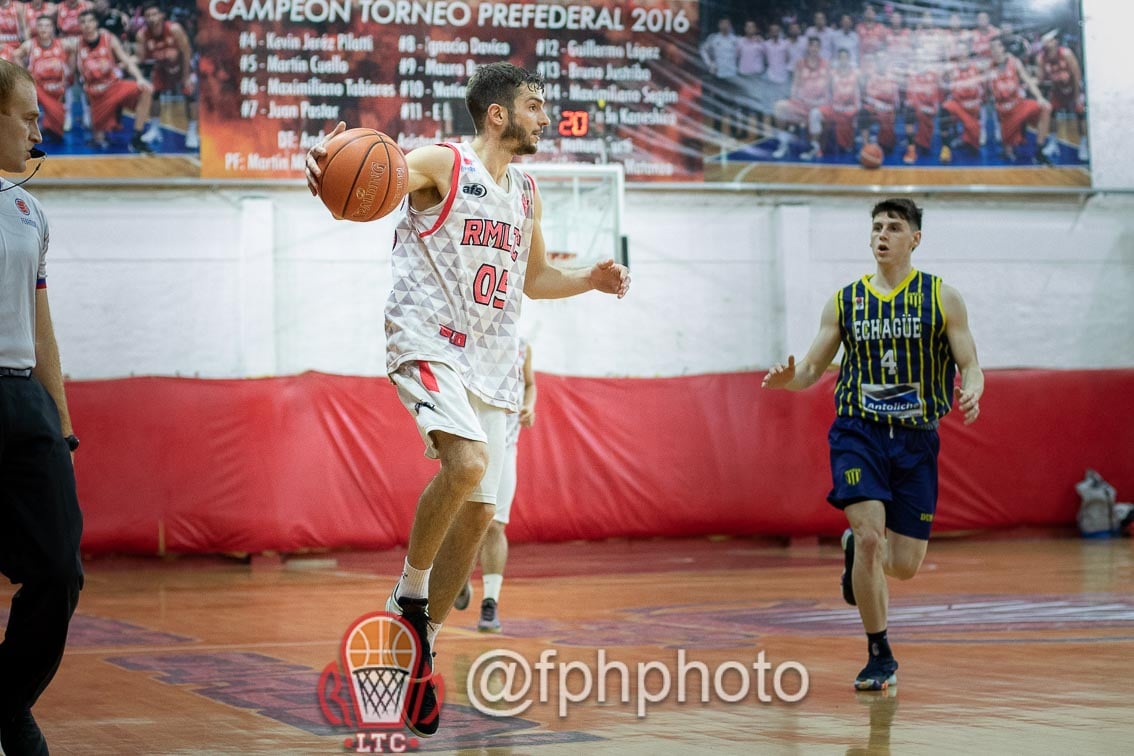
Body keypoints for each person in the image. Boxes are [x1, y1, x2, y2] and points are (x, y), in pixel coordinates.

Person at [304, 62, 630, 737]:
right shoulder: (443, 164)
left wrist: (590, 280)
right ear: (498, 115)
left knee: (480, 517)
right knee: (469, 465)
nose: (545, 117)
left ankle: (419, 648)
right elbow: (375, 166)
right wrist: (325, 163)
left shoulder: (527, 191)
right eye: (536, 106)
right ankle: (409, 597)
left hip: (493, 361)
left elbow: (536, 278)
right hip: (428, 341)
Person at [762, 198, 983, 691]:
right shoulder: (844, 301)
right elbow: (812, 370)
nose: (882, 235)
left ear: (914, 240)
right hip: (858, 434)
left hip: (915, 438)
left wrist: (972, 388)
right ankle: (879, 653)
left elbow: (970, 362)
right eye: (877, 227)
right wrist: (788, 380)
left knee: (903, 565)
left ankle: (855, 552)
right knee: (869, 536)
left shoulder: (942, 298)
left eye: (894, 227)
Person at [0, 58, 84, 756]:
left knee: (60, 569)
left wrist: (62, 423)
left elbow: (42, 322)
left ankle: (5, 701)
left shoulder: (31, 209)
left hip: (23, 397)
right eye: (28, 115)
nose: (38, 128)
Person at [453, 339, 536, 632]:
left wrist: (529, 405)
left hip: (507, 444)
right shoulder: (467, 340)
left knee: (496, 524)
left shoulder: (521, 346)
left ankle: (490, 604)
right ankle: (458, 578)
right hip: (469, 445)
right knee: (469, 521)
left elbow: (530, 384)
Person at [74, 8, 154, 152]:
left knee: (145, 90)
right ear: (79, 26)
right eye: (83, 22)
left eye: (90, 21)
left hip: (114, 87)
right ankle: (110, 120)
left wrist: (140, 78)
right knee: (99, 140)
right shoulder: (75, 44)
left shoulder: (108, 38)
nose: (87, 24)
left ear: (97, 23)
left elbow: (127, 60)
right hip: (96, 95)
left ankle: (137, 137)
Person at [134, 1, 197, 149]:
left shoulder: (174, 29)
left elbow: (187, 52)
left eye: (154, 14)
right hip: (162, 68)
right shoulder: (142, 35)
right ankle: (155, 129)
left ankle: (192, 132)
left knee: (190, 94)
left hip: (181, 66)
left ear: (162, 15)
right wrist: (125, 61)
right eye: (148, 15)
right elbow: (140, 58)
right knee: (153, 94)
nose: (151, 18)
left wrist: (186, 76)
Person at [987, 36, 1053, 165]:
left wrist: (1040, 97)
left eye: (996, 47)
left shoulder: (1014, 62)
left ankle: (1039, 150)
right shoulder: (987, 66)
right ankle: (1012, 140)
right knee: (1008, 153)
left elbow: (1028, 80)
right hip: (1005, 113)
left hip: (1019, 105)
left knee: (1046, 107)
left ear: (1002, 48)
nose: (993, 50)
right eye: (991, 48)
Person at [15, 14, 76, 142]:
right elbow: (15, 55)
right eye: (40, 25)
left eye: (47, 26)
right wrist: (25, 73)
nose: (44, 29)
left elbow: (73, 51)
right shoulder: (30, 44)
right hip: (38, 89)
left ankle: (49, 123)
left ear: (52, 28)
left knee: (57, 135)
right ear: (36, 28)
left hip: (56, 89)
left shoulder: (63, 44)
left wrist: (70, 70)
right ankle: (30, 126)